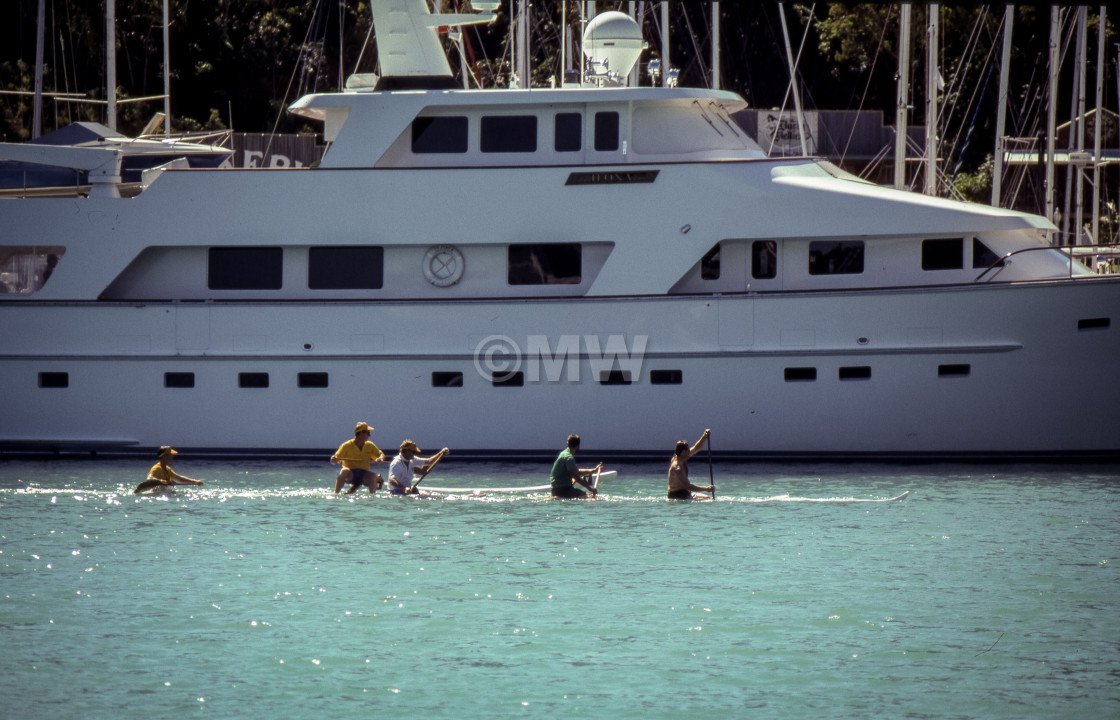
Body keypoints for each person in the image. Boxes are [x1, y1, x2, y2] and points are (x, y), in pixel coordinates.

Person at [330, 421, 386, 494]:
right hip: (350, 474)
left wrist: (380, 459)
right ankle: (336, 493)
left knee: (374, 476)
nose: (369, 435)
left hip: (363, 474)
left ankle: (372, 497)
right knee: (344, 471)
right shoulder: (347, 445)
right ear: (360, 434)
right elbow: (335, 459)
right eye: (368, 433)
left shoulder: (370, 445)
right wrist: (333, 459)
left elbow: (380, 454)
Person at [133, 446, 204, 493]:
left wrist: (195, 482)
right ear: (165, 456)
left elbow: (179, 478)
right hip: (157, 495)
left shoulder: (167, 469)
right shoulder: (156, 468)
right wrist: (162, 481)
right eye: (171, 454)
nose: (173, 456)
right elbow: (149, 479)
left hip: (164, 493)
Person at [667, 429, 714, 500]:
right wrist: (706, 488)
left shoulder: (681, 457)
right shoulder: (677, 467)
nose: (690, 452)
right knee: (707, 499)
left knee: (707, 497)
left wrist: (704, 436)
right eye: (688, 451)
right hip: (677, 495)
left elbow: (696, 448)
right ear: (683, 452)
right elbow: (687, 486)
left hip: (685, 492)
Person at [549, 434, 601, 499]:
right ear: (578, 446)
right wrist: (590, 489)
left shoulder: (563, 453)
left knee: (588, 495)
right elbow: (576, 477)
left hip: (556, 490)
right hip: (564, 490)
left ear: (567, 443)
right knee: (592, 497)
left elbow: (575, 472)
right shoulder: (569, 458)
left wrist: (592, 471)